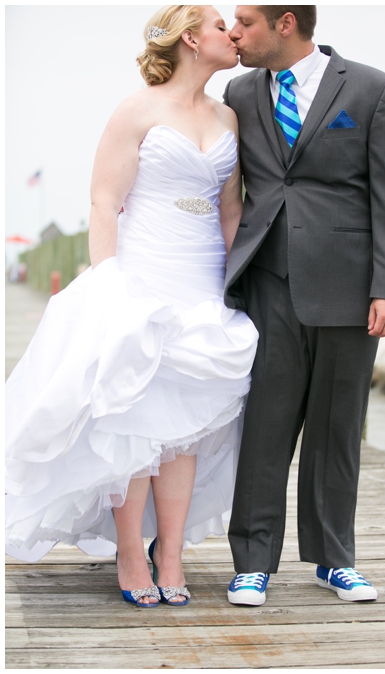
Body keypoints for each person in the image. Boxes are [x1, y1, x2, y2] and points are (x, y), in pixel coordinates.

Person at [4, 5, 258, 608]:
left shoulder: (228, 116)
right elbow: (103, 202)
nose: (233, 34)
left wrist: (237, 285)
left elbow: (229, 208)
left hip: (203, 279)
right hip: (142, 274)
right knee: (136, 421)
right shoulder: (136, 109)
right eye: (222, 25)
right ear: (192, 38)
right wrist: (109, 287)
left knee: (187, 427)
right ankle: (128, 552)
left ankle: (170, 553)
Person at [222, 5, 385, 605]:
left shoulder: (373, 88)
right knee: (265, 427)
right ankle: (253, 561)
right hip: (268, 281)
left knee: (337, 429)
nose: (234, 33)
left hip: (350, 289)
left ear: (285, 24)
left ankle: (335, 560)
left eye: (245, 22)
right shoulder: (239, 91)